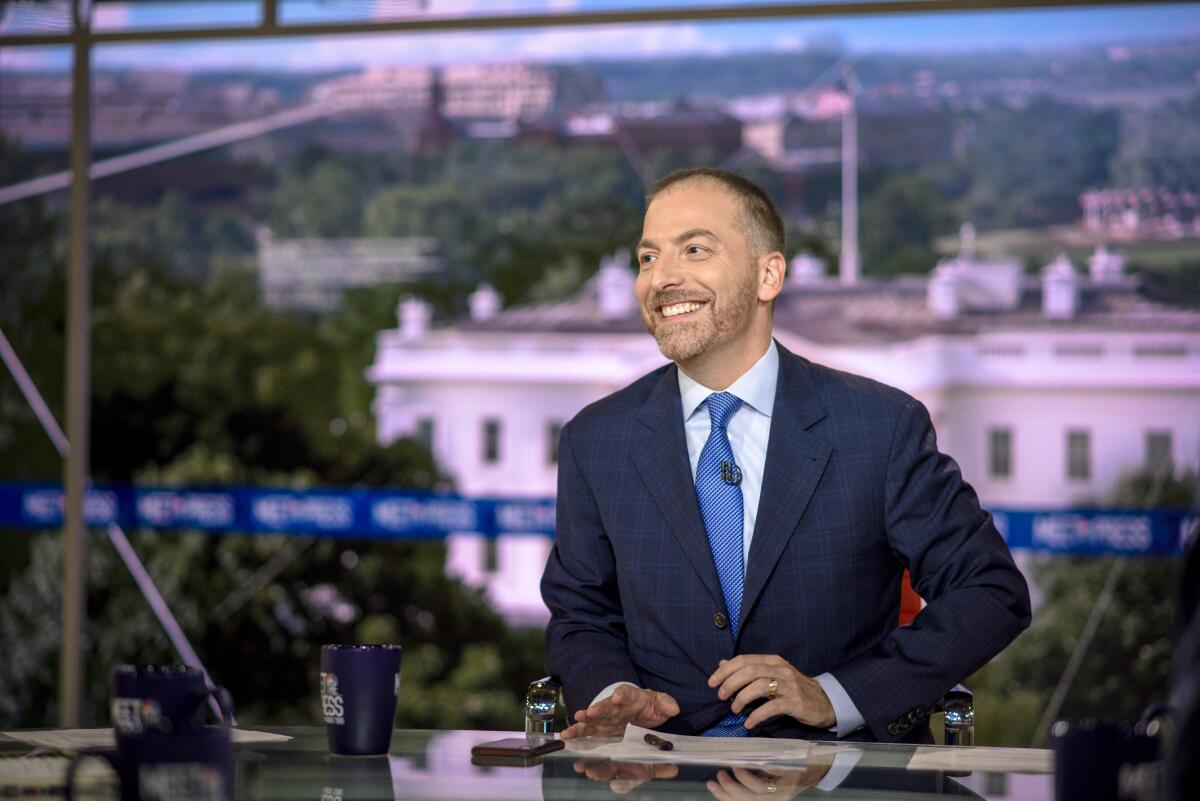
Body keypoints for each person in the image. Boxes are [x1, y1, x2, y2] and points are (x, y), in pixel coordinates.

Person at [540, 167, 1031, 743]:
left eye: (694, 249)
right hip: (662, 772)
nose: (662, 278)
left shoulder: (880, 427)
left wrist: (837, 695)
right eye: (647, 258)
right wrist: (611, 692)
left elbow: (989, 592)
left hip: (838, 778)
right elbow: (581, 616)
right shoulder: (596, 441)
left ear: (767, 275)